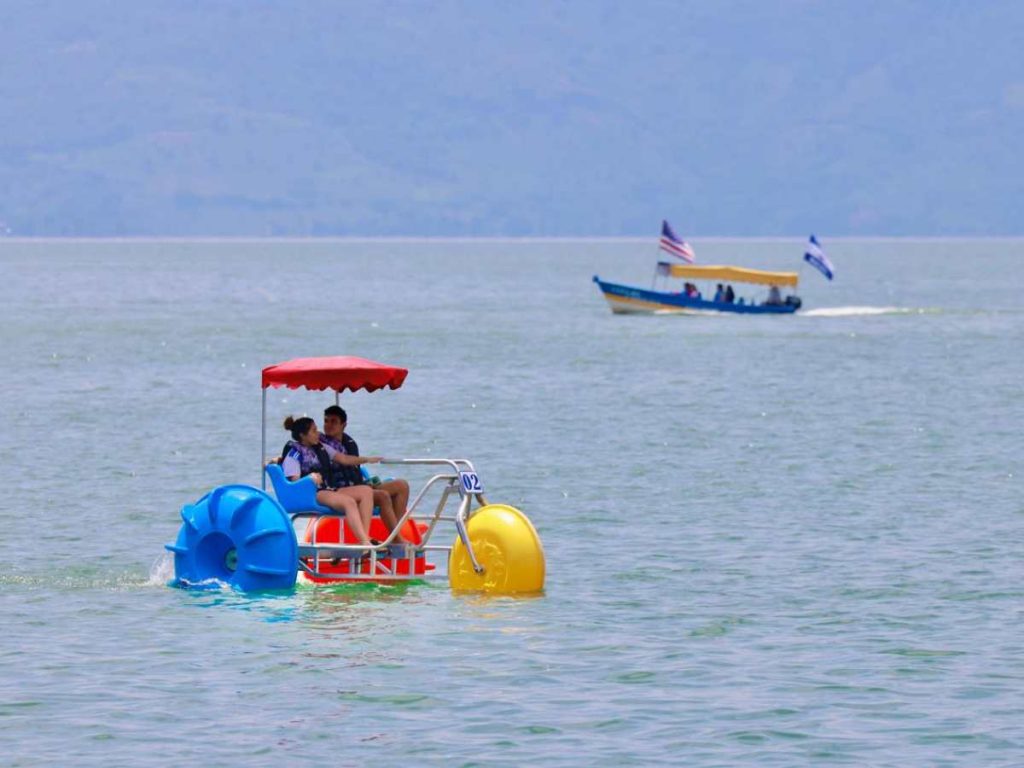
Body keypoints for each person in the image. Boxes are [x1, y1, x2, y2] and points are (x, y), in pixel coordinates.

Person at [280, 416, 381, 546]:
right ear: (303, 435)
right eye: (314, 431)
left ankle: (366, 537)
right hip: (314, 493)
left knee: (366, 491)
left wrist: (367, 459)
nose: (318, 433)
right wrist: (310, 478)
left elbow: (344, 459)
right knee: (349, 502)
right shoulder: (294, 455)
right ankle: (365, 543)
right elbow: (295, 482)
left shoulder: (321, 447)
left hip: (328, 489)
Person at [322, 405, 412, 543]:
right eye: (326, 421)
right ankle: (394, 539)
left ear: (343, 425)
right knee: (383, 496)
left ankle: (394, 534)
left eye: (333, 421)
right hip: (339, 491)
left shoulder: (350, 443)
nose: (328, 425)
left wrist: (367, 483)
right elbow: (303, 448)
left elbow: (354, 469)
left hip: (359, 486)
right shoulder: (320, 444)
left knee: (401, 485)